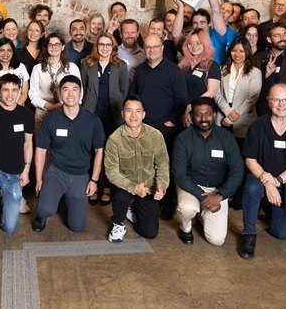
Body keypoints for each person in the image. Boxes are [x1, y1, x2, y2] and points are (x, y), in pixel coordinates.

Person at [238, 84, 286, 259]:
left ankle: (268, 207)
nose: (281, 104)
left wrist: (277, 181)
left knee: (282, 233)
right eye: (276, 100)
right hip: (260, 178)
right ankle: (249, 234)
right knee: (252, 189)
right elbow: (250, 160)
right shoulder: (258, 125)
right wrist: (268, 181)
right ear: (268, 101)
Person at [32, 75, 105, 233]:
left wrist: (94, 180)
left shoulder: (93, 121)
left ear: (81, 93)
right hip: (57, 171)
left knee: (77, 227)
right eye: (66, 90)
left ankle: (65, 201)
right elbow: (41, 150)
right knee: (45, 209)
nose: (70, 94)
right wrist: (39, 178)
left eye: (74, 90)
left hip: (80, 174)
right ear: (60, 94)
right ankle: (42, 214)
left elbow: (99, 151)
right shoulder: (50, 120)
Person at [129, 32, 188, 220]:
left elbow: (181, 99)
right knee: (145, 165)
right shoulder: (140, 70)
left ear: (162, 49)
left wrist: (171, 120)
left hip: (166, 128)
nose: (152, 50)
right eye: (148, 47)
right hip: (144, 127)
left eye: (155, 47)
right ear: (144, 49)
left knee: (165, 166)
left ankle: (168, 203)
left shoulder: (173, 70)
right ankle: (147, 200)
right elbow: (135, 97)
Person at [172, 97, 244, 246]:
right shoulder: (183, 139)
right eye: (198, 114)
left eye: (208, 114)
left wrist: (220, 196)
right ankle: (185, 228)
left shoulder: (227, 138)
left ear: (215, 114)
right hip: (191, 187)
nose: (203, 118)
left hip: (218, 190)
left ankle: (201, 215)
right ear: (192, 116)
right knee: (187, 208)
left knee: (217, 240)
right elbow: (179, 174)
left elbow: (237, 170)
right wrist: (203, 197)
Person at [0, 74, 35, 253]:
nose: (10, 94)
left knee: (9, 227)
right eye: (6, 90)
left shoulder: (26, 114)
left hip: (16, 171)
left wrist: (26, 170)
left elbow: (28, 143)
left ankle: (0, 201)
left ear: (20, 92)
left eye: (14, 90)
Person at [104, 96, 169, 243]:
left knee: (150, 233)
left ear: (144, 114)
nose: (133, 115)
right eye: (129, 111)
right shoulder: (114, 139)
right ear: (122, 114)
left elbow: (163, 165)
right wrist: (133, 187)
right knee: (121, 196)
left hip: (148, 187)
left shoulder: (155, 135)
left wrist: (162, 186)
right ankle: (119, 222)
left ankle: (134, 208)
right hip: (126, 185)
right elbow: (111, 172)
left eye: (138, 111)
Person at [80, 32, 130, 205]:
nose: (104, 48)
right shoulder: (87, 64)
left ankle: (107, 188)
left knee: (110, 153)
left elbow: (124, 90)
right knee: (92, 151)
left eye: (108, 45)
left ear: (113, 47)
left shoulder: (121, 66)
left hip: (113, 116)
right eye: (101, 44)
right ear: (96, 46)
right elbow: (83, 88)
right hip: (92, 115)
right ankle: (92, 185)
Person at [214, 37, 262, 148]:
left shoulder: (255, 72)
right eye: (234, 50)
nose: (237, 54)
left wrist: (233, 117)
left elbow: (252, 98)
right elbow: (217, 94)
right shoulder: (222, 70)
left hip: (244, 117)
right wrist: (228, 111)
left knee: (242, 153)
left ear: (247, 52)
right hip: (223, 116)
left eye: (241, 51)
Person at [251, 22, 286, 116]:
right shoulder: (258, 58)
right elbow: (253, 88)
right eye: (277, 35)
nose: (282, 38)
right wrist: (266, 75)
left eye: (284, 34)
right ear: (269, 39)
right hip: (263, 111)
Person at [28, 33, 79, 130]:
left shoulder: (72, 67)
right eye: (50, 45)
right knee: (42, 143)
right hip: (43, 110)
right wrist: (49, 106)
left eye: (57, 44)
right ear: (46, 47)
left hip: (66, 109)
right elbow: (33, 94)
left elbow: (79, 92)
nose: (53, 47)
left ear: (63, 47)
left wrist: (65, 106)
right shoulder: (38, 68)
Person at [177, 28, 221, 127]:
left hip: (201, 112)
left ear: (205, 45)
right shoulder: (182, 65)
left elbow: (212, 92)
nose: (194, 46)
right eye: (190, 43)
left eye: (198, 43)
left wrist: (191, 106)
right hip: (180, 111)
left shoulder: (212, 65)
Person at [0, 38, 30, 107]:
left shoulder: (21, 67)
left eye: (9, 50)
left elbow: (24, 93)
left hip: (18, 109)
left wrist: (15, 109)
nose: (5, 54)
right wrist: (2, 109)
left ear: (13, 52)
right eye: (2, 50)